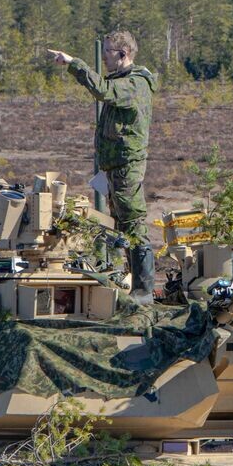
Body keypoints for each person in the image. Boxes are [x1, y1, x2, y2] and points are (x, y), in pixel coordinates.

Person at [47, 31, 159, 303]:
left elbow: (103, 91)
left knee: (133, 225)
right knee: (122, 227)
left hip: (126, 167)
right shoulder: (124, 81)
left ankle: (143, 291)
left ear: (123, 55)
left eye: (108, 52)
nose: (105, 57)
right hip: (116, 167)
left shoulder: (134, 84)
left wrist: (75, 63)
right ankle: (131, 285)